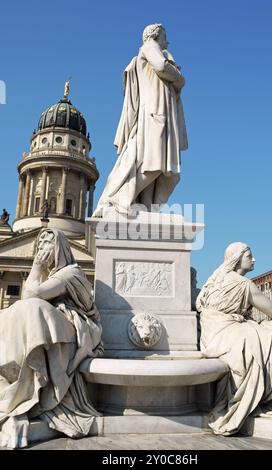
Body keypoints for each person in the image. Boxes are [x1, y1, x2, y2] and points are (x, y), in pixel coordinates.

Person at [0, 228, 103, 448]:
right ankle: (12, 379)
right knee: (13, 312)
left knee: (32, 308)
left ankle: (26, 392)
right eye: (39, 245)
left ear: (60, 248)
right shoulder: (50, 276)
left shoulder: (71, 272)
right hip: (55, 325)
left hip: (76, 328)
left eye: (47, 244)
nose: (40, 250)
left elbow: (32, 294)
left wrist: (36, 267)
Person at [196, 242, 272, 436]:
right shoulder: (243, 283)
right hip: (227, 330)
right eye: (249, 256)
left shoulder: (215, 278)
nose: (253, 259)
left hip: (211, 333)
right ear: (237, 259)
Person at [93, 23, 188, 216]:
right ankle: (118, 199)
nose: (167, 41)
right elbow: (162, 67)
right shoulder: (150, 46)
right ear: (155, 35)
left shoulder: (155, 51)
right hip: (155, 113)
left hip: (158, 112)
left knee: (158, 164)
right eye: (165, 36)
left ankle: (146, 208)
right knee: (154, 161)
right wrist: (179, 76)